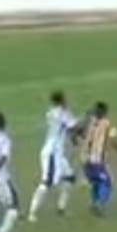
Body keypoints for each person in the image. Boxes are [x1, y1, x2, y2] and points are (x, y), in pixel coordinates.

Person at [27, 91, 80, 222]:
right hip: (52, 153)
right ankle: (31, 212)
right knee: (47, 182)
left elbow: (69, 129)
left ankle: (61, 208)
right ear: (62, 100)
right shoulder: (62, 113)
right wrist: (89, 117)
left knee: (70, 177)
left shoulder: (52, 112)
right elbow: (76, 127)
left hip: (57, 152)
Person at [81, 101, 117, 217]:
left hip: (86, 160)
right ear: (105, 112)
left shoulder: (90, 123)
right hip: (97, 160)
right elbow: (114, 139)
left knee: (96, 182)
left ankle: (93, 203)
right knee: (107, 183)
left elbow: (81, 133)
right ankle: (99, 204)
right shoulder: (107, 124)